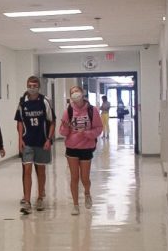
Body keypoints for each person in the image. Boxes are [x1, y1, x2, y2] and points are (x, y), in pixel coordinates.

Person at [59, 85, 103, 216]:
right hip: (72, 148)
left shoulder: (92, 110)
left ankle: (87, 193)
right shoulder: (68, 111)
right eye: (72, 92)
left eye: (77, 91)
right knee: (74, 177)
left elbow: (99, 128)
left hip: (86, 147)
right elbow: (62, 131)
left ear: (82, 93)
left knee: (85, 178)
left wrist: (87, 133)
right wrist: (66, 127)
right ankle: (75, 205)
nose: (75, 94)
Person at [14, 76, 55, 214]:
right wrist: (20, 139)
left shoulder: (44, 101)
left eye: (35, 85)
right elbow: (19, 122)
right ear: (26, 86)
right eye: (30, 85)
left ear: (38, 87)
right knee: (27, 170)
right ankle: (26, 200)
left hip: (42, 141)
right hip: (27, 142)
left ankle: (40, 197)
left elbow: (52, 121)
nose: (32, 88)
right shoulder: (22, 102)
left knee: (41, 171)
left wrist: (49, 139)